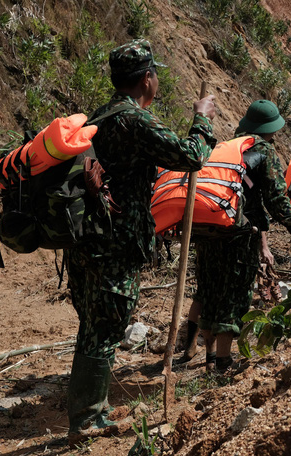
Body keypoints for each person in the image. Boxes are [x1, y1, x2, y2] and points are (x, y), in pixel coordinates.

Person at [65, 39, 216, 445]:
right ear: (146, 78)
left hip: (86, 241)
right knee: (106, 323)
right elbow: (191, 156)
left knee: (94, 322)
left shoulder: (101, 115)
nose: (158, 79)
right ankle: (85, 419)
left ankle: (89, 405)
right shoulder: (134, 121)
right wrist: (202, 120)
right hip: (113, 243)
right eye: (156, 74)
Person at [183, 100, 291, 371]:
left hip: (207, 229)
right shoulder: (264, 151)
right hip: (239, 236)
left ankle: (208, 356)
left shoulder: (227, 148)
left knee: (208, 291)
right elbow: (276, 198)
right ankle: (223, 362)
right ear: (271, 129)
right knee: (235, 296)